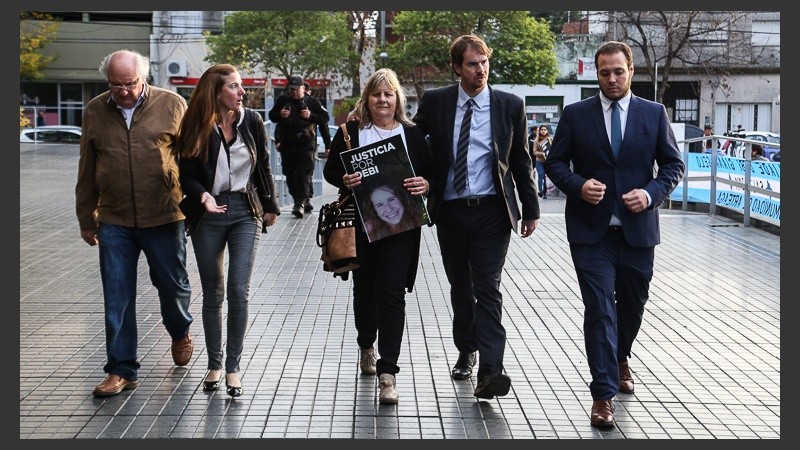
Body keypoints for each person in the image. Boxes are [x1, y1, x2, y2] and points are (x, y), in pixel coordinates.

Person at [544, 41, 685, 428]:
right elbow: (555, 163)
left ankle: (621, 356)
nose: (611, 78)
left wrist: (650, 194)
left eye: (618, 71)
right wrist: (578, 186)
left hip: (638, 233)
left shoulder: (654, 113)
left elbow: (673, 165)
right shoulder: (576, 114)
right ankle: (602, 395)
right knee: (600, 309)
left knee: (632, 305)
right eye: (604, 72)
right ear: (597, 74)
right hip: (592, 234)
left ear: (631, 71)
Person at [412, 35, 540, 400]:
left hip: (492, 212)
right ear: (457, 68)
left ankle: (490, 369)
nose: (480, 70)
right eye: (472, 64)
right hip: (451, 210)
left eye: (484, 62)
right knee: (461, 287)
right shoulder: (437, 102)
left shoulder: (509, 105)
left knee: (487, 287)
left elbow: (521, 160)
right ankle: (466, 348)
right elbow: (412, 140)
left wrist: (530, 209)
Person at [75, 49, 195, 397]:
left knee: (173, 286)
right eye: (116, 85)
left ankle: (179, 330)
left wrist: (194, 206)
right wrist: (86, 216)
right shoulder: (95, 110)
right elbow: (87, 166)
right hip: (115, 218)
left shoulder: (172, 104)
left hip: (165, 214)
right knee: (117, 295)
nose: (124, 91)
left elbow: (191, 159)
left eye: (130, 83)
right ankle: (121, 369)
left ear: (143, 77)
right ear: (107, 81)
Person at [323, 68, 432, 404]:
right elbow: (330, 170)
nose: (383, 100)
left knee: (392, 294)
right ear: (367, 98)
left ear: (397, 98)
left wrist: (426, 184)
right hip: (361, 225)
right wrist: (345, 179)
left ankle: (388, 373)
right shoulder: (352, 132)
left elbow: (430, 172)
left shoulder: (412, 134)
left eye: (389, 94)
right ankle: (366, 344)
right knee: (365, 290)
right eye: (376, 94)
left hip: (401, 227)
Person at [176, 64, 280, 398]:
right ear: (216, 92)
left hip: (245, 210)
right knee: (213, 292)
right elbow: (186, 173)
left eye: (240, 85)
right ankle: (214, 365)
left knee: (238, 289)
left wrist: (271, 205)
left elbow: (263, 165)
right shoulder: (195, 124)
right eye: (234, 86)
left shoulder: (252, 121)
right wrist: (202, 195)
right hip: (207, 213)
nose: (241, 92)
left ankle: (233, 367)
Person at [268, 75, 330, 218]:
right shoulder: (283, 100)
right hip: (287, 144)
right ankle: (300, 199)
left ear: (303, 88)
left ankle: (299, 203)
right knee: (289, 173)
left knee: (303, 173)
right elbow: (272, 116)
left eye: (296, 89)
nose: (294, 92)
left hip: (305, 143)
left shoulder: (312, 102)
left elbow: (324, 118)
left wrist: (311, 116)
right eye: (291, 89)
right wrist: (280, 114)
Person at [361, 183, 427, 242]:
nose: (389, 209)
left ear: (401, 199)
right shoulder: (371, 231)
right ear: (374, 211)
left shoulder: (420, 218)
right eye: (379, 205)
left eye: (391, 199)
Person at [531, 125, 552, 199]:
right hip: (539, 161)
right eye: (542, 129)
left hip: (547, 161)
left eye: (545, 129)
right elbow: (534, 152)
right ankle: (540, 190)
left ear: (547, 131)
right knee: (541, 174)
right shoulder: (537, 141)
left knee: (546, 177)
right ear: (539, 131)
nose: (543, 131)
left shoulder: (550, 139)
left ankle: (544, 192)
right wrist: (541, 153)